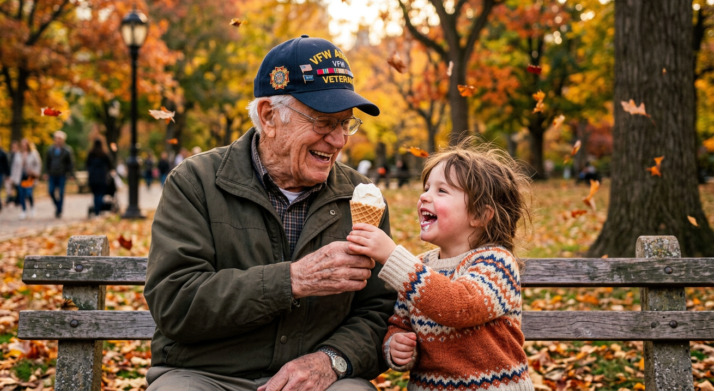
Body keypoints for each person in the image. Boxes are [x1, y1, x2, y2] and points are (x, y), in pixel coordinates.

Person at [144, 36, 395, 391]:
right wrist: (292, 280)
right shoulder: (195, 182)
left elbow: (378, 311)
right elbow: (175, 302)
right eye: (324, 121)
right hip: (207, 375)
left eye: (345, 123)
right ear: (269, 116)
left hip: (319, 380)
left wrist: (333, 359)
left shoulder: (361, 198)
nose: (339, 140)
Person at [347, 139, 534, 391]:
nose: (424, 196)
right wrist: (397, 345)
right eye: (426, 188)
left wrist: (393, 256)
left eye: (441, 191)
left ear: (479, 215)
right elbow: (400, 322)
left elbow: (459, 307)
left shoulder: (497, 263)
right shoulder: (422, 266)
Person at [45, 131, 74, 218]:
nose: (58, 140)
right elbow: (47, 162)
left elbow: (70, 163)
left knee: (61, 193)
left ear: (63, 140)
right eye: (57, 138)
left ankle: (59, 210)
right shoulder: (50, 150)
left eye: (60, 139)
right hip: (52, 174)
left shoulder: (67, 150)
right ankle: (58, 206)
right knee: (51, 191)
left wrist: (71, 174)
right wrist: (46, 172)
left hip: (62, 174)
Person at [10, 138, 42, 219]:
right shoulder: (18, 154)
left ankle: (32, 208)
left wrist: (35, 172)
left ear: (28, 145)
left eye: (25, 144)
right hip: (20, 177)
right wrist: (12, 178)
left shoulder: (33, 153)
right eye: (22, 144)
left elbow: (38, 164)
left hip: (29, 177)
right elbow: (14, 166)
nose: (24, 146)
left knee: (29, 193)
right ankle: (23, 211)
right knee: (21, 194)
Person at [86, 139, 112, 217]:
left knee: (95, 195)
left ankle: (97, 210)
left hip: (93, 177)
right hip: (102, 177)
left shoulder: (91, 153)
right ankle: (98, 210)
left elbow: (87, 164)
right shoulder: (104, 154)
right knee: (100, 194)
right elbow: (110, 165)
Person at [5, 140, 20, 207]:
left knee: (18, 189)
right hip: (10, 175)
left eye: (15, 147)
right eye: (13, 147)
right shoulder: (9, 155)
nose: (14, 148)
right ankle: (10, 198)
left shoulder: (20, 155)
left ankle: (16, 200)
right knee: (9, 187)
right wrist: (8, 175)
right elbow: (7, 165)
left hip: (18, 175)